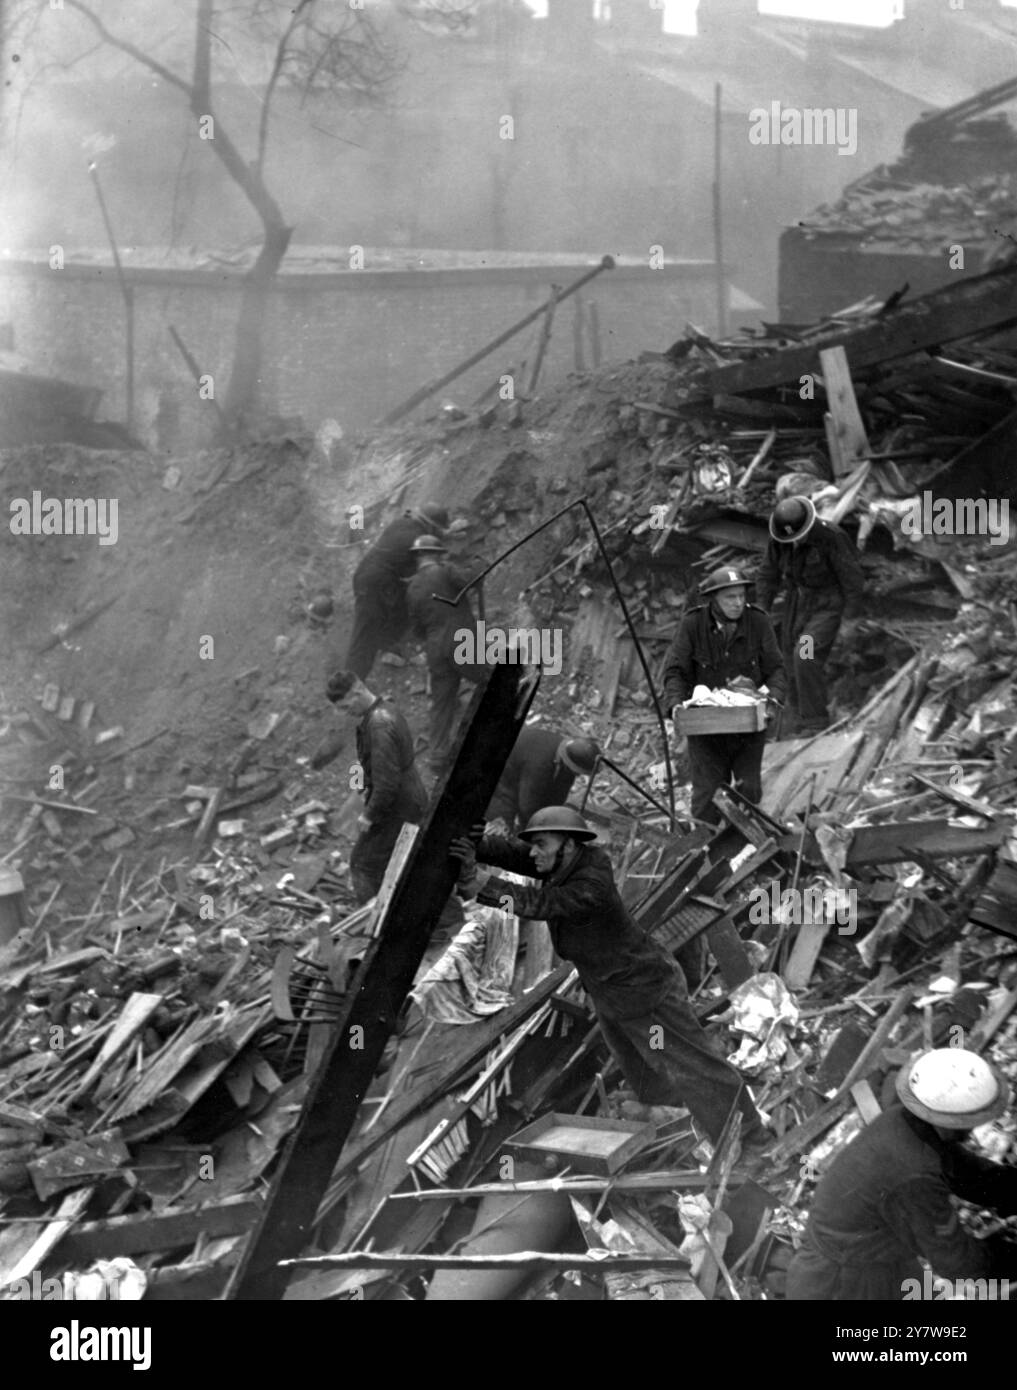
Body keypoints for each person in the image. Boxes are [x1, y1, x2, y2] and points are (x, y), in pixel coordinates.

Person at [449, 805, 764, 1148]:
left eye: (541, 844)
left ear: (568, 845)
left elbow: (538, 904)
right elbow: (521, 856)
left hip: (646, 995)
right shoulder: (563, 861)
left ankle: (747, 1132)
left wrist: (479, 882)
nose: (534, 853)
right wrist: (480, 846)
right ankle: (685, 1120)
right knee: (642, 1074)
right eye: (535, 845)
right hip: (611, 994)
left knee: (690, 1065)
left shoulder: (590, 884)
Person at [786, 1048, 1017, 1301]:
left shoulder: (908, 1121)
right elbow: (956, 1261)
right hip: (843, 1282)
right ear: (953, 1120)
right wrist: (1009, 1258)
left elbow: (968, 1173)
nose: (973, 1128)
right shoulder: (914, 1176)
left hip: (879, 1255)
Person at [662, 566, 786, 824]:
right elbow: (675, 671)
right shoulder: (693, 624)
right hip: (707, 730)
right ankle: (707, 851)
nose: (738, 603)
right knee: (706, 796)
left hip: (748, 727)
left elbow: (776, 668)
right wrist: (675, 705)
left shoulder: (759, 622)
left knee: (748, 791)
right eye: (730, 597)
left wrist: (774, 698)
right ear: (713, 600)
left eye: (741, 596)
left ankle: (748, 850)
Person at [755, 496, 864, 734]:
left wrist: (850, 620)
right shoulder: (779, 539)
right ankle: (797, 715)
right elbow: (767, 575)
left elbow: (853, 581)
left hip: (827, 604)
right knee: (787, 658)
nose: (795, 542)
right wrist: (761, 611)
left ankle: (815, 722)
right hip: (798, 603)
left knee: (804, 654)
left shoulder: (831, 537)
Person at [324, 669, 428, 903]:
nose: (345, 712)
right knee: (399, 859)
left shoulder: (378, 725)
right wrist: (360, 780)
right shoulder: (383, 711)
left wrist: (368, 816)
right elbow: (379, 765)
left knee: (363, 864)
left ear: (357, 691)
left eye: (344, 706)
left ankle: (375, 927)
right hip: (408, 797)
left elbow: (387, 783)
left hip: (399, 805)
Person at [405, 534, 485, 774]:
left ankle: (438, 757)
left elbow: (417, 627)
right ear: (437, 554)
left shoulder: (412, 587)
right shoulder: (445, 570)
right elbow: (472, 579)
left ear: (418, 558)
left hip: (435, 648)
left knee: (441, 704)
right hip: (460, 640)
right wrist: (479, 564)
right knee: (491, 681)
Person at [345, 503, 450, 680]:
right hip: (374, 582)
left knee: (403, 607)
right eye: (436, 529)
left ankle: (388, 645)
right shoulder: (415, 537)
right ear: (430, 526)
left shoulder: (402, 523)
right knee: (365, 633)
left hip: (376, 578)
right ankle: (350, 684)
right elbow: (429, 566)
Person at [486, 728, 600, 833]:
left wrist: (552, 817)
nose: (579, 776)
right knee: (501, 827)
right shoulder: (540, 766)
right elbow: (527, 806)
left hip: (524, 768)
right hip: (502, 777)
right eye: (578, 772)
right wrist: (536, 831)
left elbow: (560, 793)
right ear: (569, 763)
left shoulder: (565, 756)